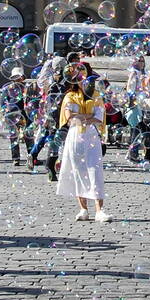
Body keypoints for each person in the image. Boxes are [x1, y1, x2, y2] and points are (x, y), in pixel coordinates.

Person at [58, 76, 110, 223]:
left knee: (95, 170)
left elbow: (98, 118)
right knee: (78, 171)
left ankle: (99, 210)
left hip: (92, 135)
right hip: (75, 136)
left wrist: (80, 116)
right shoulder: (70, 96)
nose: (89, 85)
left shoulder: (96, 97)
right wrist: (88, 116)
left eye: (90, 82)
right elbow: (69, 117)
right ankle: (83, 209)